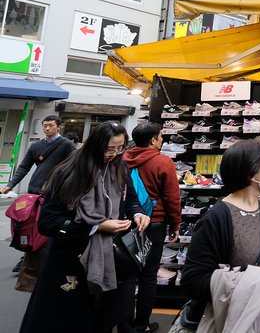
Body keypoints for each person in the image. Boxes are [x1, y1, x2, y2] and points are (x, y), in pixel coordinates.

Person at [19, 121, 149, 333]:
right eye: (109, 149)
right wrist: (97, 226)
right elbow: (47, 222)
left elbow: (131, 198)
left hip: (108, 259)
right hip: (70, 260)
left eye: (120, 148)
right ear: (95, 145)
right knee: (64, 320)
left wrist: (137, 213)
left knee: (98, 317)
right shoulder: (70, 172)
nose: (114, 154)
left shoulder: (120, 166)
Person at [181, 139, 260, 333]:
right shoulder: (218, 218)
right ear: (251, 174)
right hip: (240, 321)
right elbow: (193, 280)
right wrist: (248, 282)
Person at [119, 122, 182, 333]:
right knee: (148, 275)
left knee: (127, 276)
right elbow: (172, 197)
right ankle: (142, 325)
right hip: (154, 223)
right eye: (161, 136)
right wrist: (175, 224)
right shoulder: (163, 161)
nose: (163, 140)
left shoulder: (122, 160)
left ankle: (124, 325)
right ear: (153, 140)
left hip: (127, 222)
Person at [2, 115, 76, 282]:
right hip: (34, 192)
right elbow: (24, 166)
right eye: (44, 126)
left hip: (55, 193)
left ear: (59, 127)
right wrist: (11, 184)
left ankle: (33, 259)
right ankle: (29, 255)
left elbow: (75, 166)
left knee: (45, 226)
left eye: (50, 126)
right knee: (30, 225)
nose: (47, 129)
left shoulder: (66, 145)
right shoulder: (36, 146)